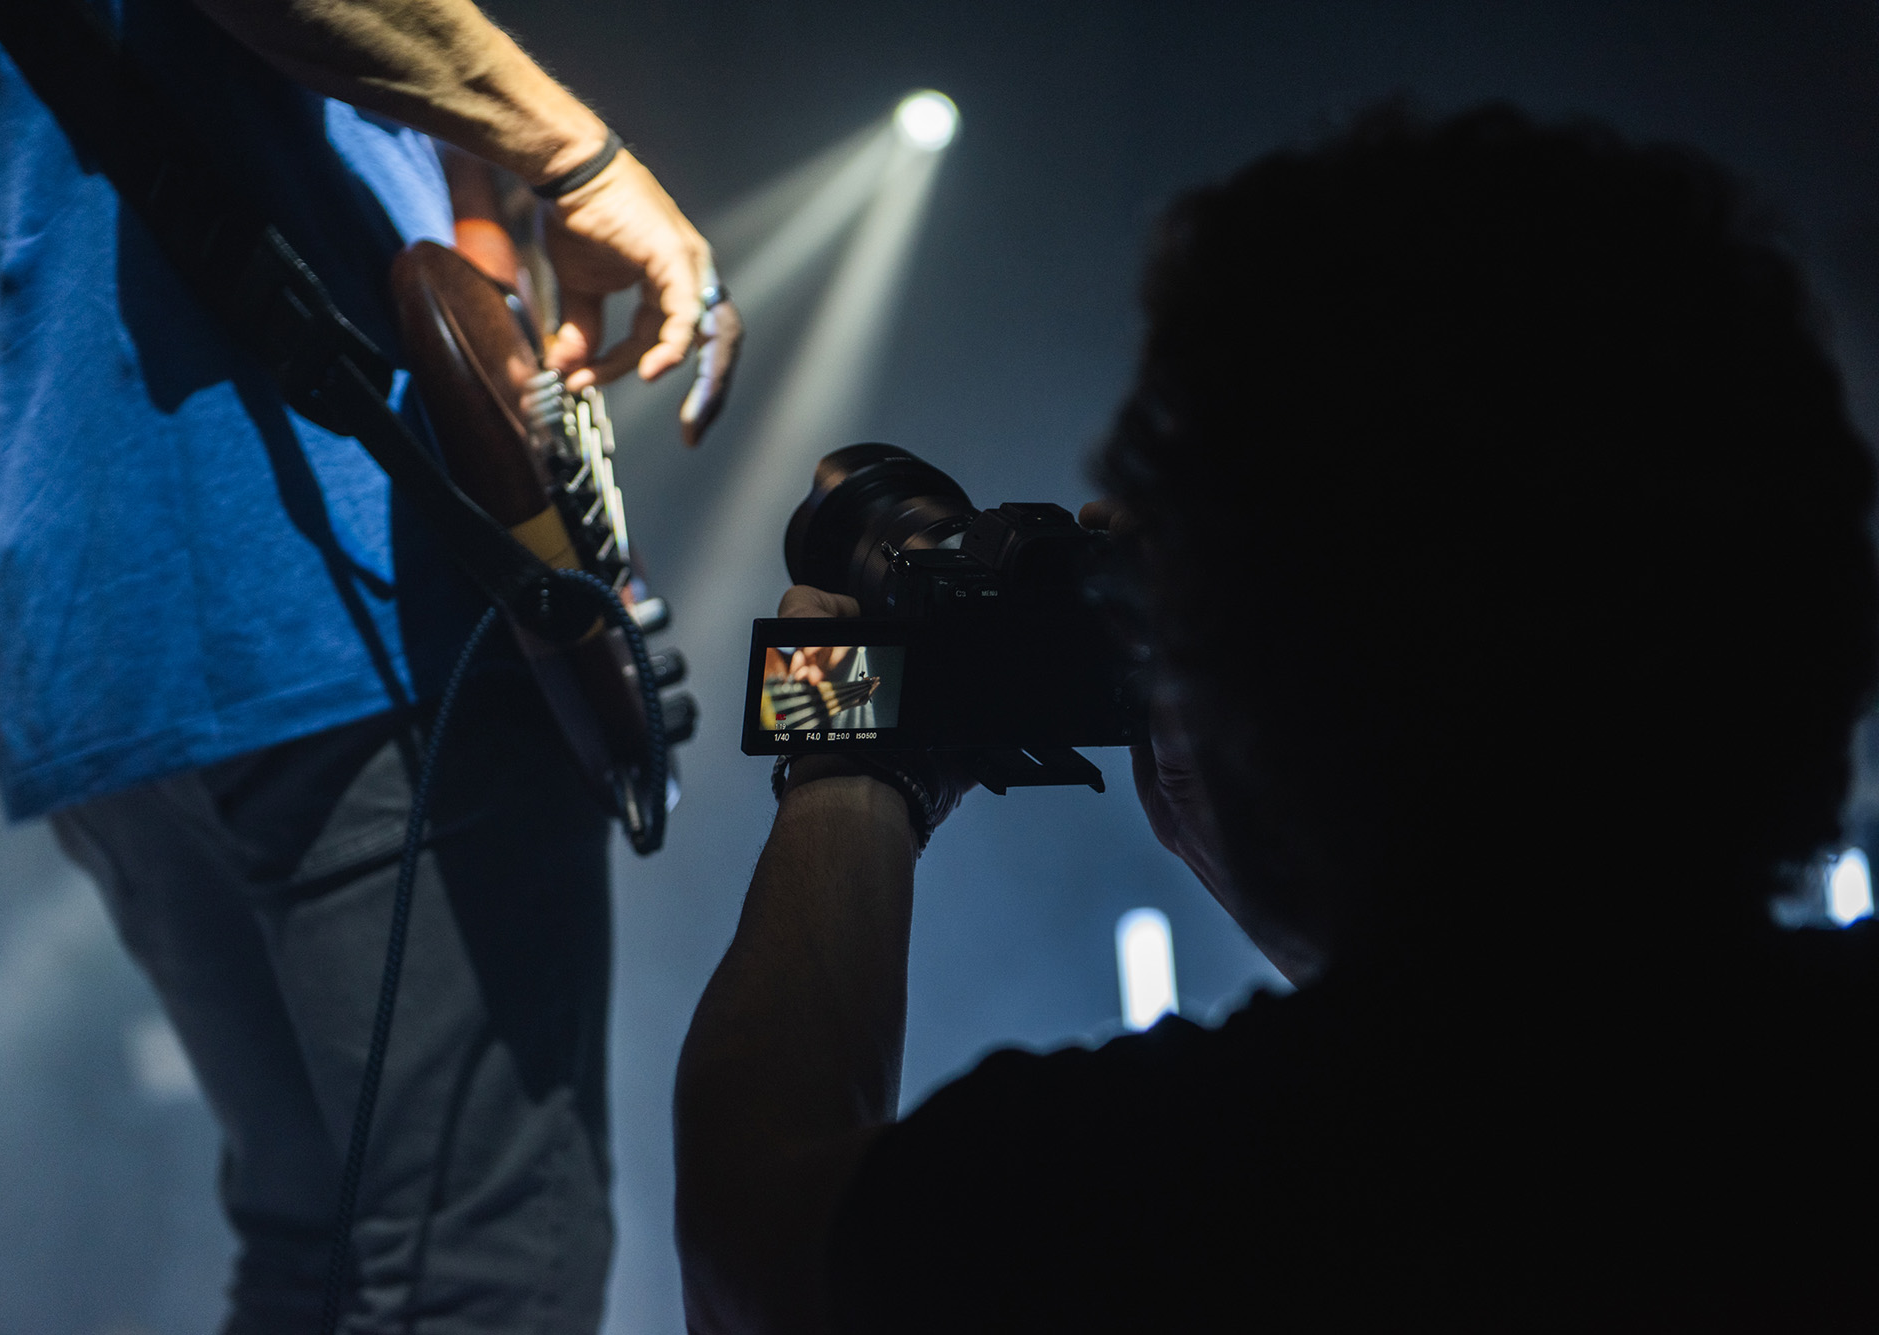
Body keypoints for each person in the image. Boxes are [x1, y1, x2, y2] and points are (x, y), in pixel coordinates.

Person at [673, 104, 1879, 1331]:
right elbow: (1530, 1069)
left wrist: (846, 753)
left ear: (1271, 640)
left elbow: (748, 1249)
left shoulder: (1200, 1188)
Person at [0, 1, 736, 1330]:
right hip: (330, 581)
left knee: (315, 1234)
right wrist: (575, 151)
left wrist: (483, 230)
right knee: (482, 1256)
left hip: (82, 616)